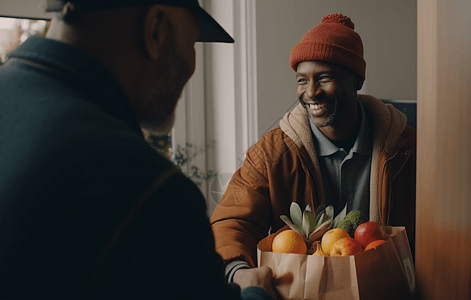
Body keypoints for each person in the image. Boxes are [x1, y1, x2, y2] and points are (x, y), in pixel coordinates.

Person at [0, 0, 275, 299]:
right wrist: (255, 292)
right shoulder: (146, 187)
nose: (192, 64)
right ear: (156, 29)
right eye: (193, 42)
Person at [210, 13, 416, 288]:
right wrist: (238, 271)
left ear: (357, 80)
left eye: (324, 78)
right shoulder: (271, 153)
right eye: (302, 80)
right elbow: (233, 221)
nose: (311, 92)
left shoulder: (406, 147)